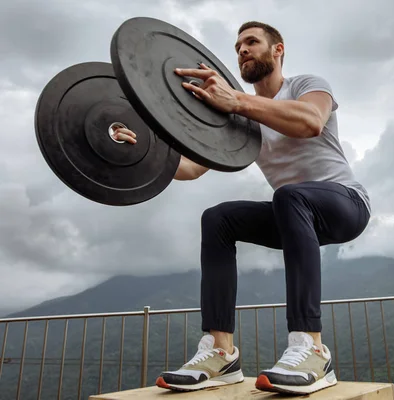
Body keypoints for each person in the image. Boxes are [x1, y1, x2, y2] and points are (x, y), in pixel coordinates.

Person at [112, 21, 371, 395]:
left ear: (278, 50)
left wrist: (237, 101)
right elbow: (189, 168)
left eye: (251, 42)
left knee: (289, 195)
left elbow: (311, 122)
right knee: (218, 219)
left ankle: (311, 348)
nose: (242, 50)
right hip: (294, 215)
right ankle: (222, 352)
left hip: (345, 204)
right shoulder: (240, 120)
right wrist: (141, 152)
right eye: (237, 47)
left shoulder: (306, 85)